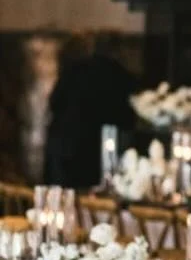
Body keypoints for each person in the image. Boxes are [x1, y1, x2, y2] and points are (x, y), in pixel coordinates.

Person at [44, 32, 138, 189]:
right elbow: (127, 118)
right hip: (94, 150)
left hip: (62, 144)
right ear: (118, 51)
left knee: (60, 194)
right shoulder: (119, 75)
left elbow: (54, 102)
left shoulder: (75, 70)